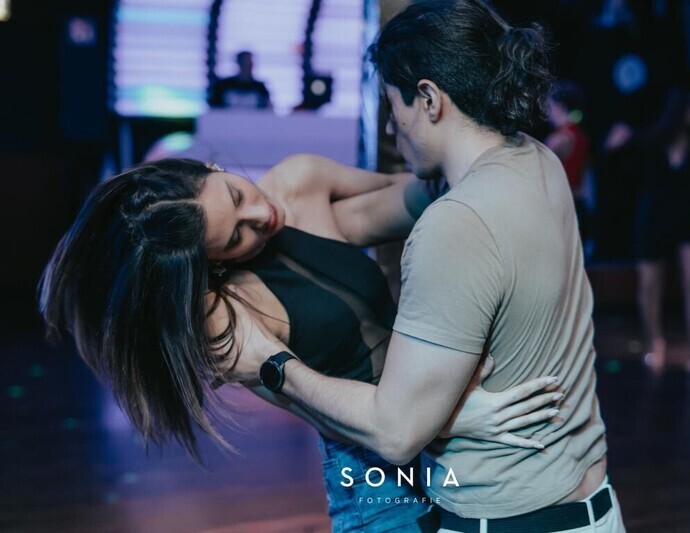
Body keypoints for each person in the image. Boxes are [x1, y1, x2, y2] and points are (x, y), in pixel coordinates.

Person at [225, 1, 624, 532]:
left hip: (512, 520)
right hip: (595, 507)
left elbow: (396, 434)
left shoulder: (454, 225)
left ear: (430, 99)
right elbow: (354, 219)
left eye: (394, 106)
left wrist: (273, 364)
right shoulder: (537, 160)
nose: (392, 128)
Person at [39, 155, 562, 532]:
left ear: (216, 169)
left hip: (445, 423)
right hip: (375, 469)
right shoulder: (226, 317)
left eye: (237, 196)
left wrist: (475, 160)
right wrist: (448, 416)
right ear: (212, 264)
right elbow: (332, 417)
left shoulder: (300, 182)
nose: (260, 218)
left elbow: (412, 193)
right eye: (236, 237)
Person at [606, 87, 690, 373]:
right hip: (654, 218)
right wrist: (616, 142)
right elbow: (617, 155)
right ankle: (654, 341)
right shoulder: (653, 140)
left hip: (689, 217)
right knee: (649, 283)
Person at [546, 80, 592, 246]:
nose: (548, 113)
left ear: (560, 106)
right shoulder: (582, 136)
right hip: (580, 206)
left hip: (563, 208)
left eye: (550, 107)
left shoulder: (558, 139)